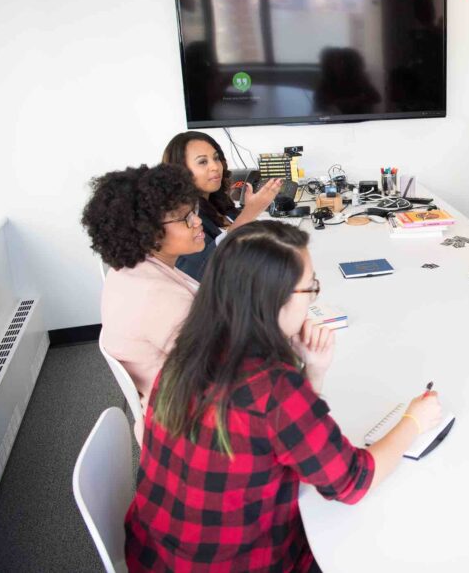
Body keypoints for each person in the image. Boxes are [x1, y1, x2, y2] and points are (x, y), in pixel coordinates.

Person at [126, 221, 443, 571]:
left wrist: (313, 372)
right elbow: (353, 482)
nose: (312, 301)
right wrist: (414, 420)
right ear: (275, 300)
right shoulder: (272, 388)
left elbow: (277, 435)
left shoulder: (187, 352)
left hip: (157, 555)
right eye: (310, 290)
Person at [81, 164, 204, 419]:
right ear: (148, 232)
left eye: (194, 210)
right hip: (191, 423)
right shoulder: (160, 299)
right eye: (185, 217)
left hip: (170, 404)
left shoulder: (127, 271)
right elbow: (226, 374)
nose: (197, 221)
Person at [162, 131, 283, 281]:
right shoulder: (180, 220)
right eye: (202, 162)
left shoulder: (219, 203)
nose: (215, 166)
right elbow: (204, 271)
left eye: (216, 158)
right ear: (180, 170)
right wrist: (249, 213)